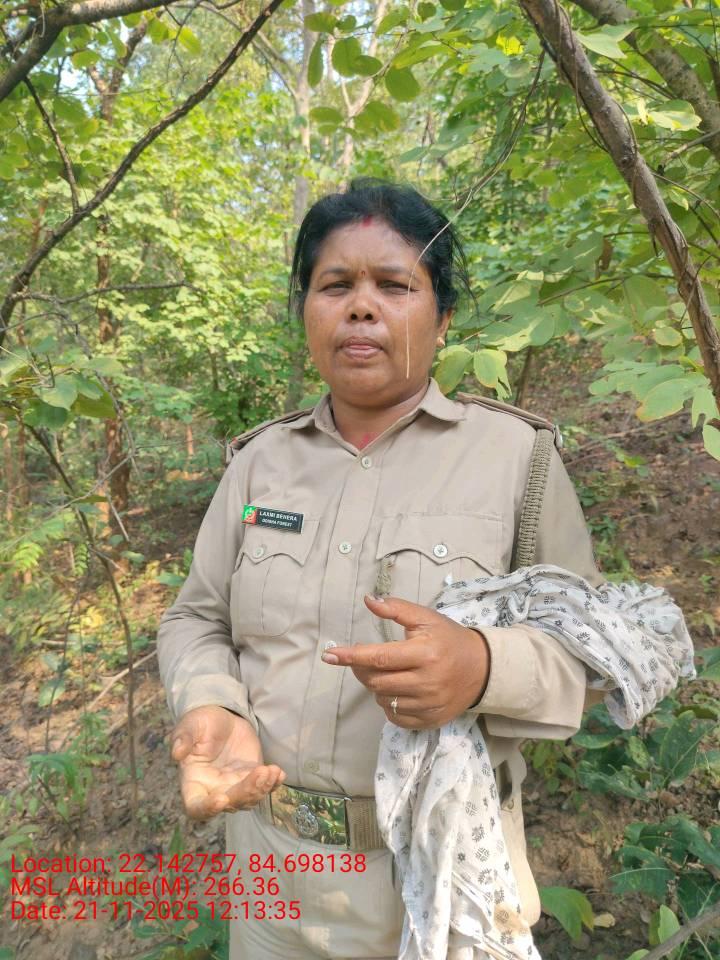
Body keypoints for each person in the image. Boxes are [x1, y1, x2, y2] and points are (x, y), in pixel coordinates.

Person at [156, 178, 605, 960]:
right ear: (306, 310)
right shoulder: (260, 464)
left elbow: (592, 652)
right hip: (272, 881)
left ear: (443, 317)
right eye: (336, 285)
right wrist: (210, 703)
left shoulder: (516, 461)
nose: (361, 307)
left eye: (395, 286)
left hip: (451, 875)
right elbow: (197, 615)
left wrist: (482, 667)